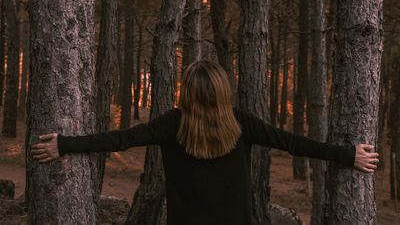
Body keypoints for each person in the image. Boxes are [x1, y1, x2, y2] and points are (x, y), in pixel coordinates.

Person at [31, 60, 379, 225]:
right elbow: (294, 144)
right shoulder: (241, 122)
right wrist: (348, 155)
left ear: (187, 92)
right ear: (223, 91)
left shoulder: (172, 124)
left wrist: (65, 144)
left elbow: (120, 139)